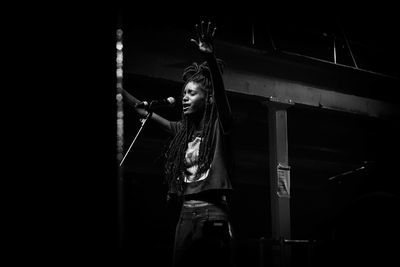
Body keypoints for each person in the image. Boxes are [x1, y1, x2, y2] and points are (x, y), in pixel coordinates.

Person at [123, 21, 235, 267]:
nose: (185, 98)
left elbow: (222, 98)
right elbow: (143, 112)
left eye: (192, 93)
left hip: (213, 211)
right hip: (186, 212)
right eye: (184, 93)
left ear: (208, 99)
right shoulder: (182, 131)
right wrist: (120, 91)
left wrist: (211, 59)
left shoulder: (218, 124)